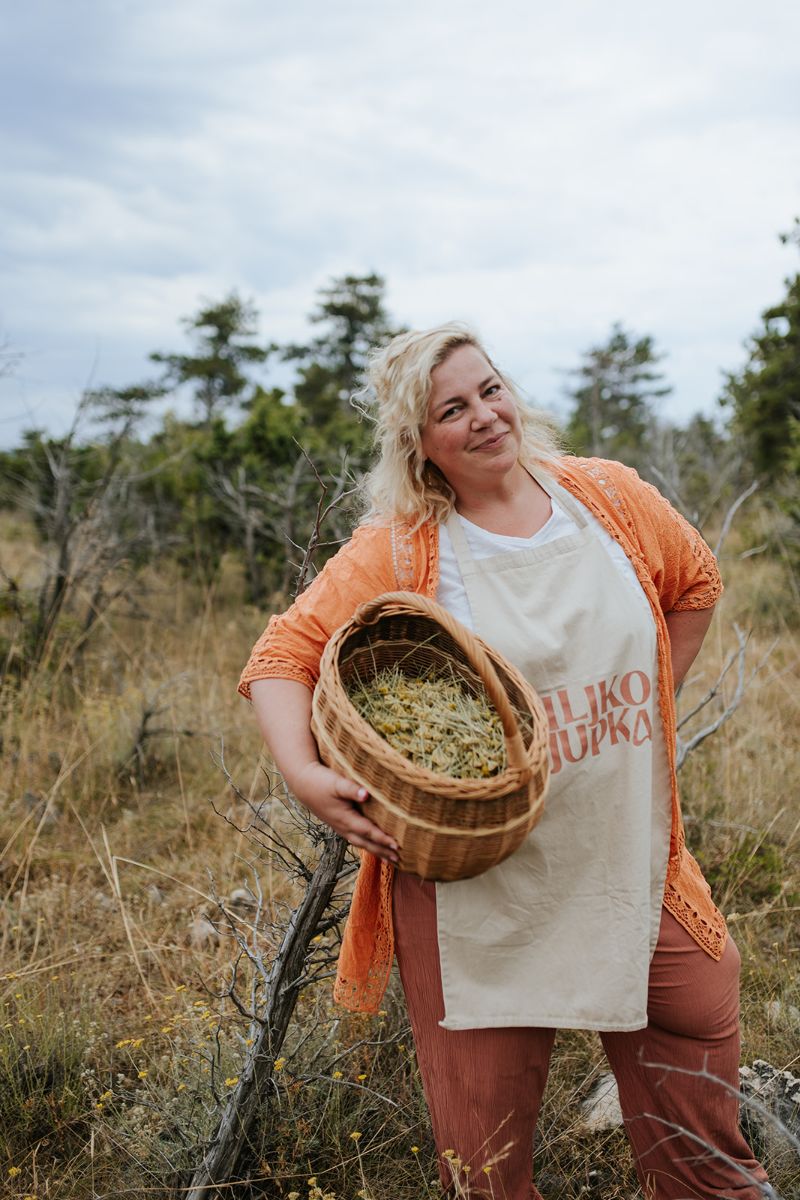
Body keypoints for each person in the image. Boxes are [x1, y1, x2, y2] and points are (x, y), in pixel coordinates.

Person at [239, 324, 768, 1200]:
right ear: (418, 443)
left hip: (625, 857)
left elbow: (695, 581)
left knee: (704, 1110)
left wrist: (646, 712)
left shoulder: (608, 497)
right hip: (479, 894)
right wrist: (305, 775)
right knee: (486, 1168)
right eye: (453, 409)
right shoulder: (402, 548)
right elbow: (281, 656)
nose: (485, 416)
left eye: (490, 389)